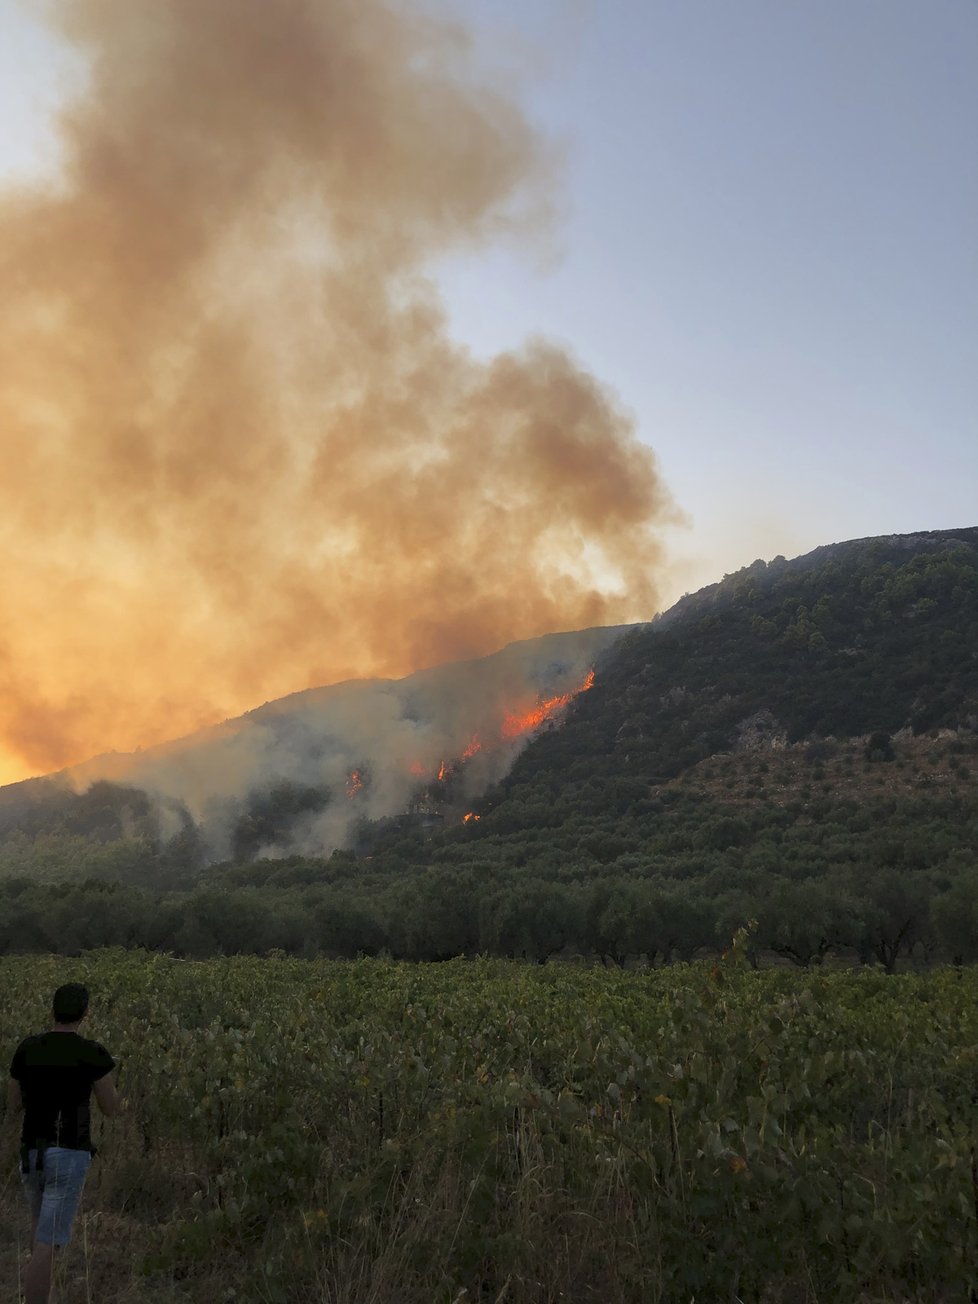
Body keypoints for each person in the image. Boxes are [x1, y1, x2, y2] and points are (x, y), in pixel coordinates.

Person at [7, 982, 123, 1304]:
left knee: (38, 1226)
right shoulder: (92, 1052)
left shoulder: (27, 1048)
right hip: (69, 1153)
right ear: (86, 1013)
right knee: (49, 1241)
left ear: (52, 1010)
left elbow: (13, 1102)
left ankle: (42, 1292)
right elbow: (111, 1108)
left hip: (31, 1151)